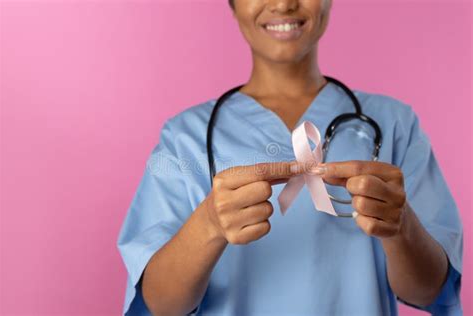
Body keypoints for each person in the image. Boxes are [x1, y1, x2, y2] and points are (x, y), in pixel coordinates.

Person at [117, 0, 463, 315]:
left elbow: (430, 290)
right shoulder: (185, 137)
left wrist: (401, 227)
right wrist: (209, 224)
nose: (283, 4)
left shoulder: (394, 124)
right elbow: (158, 305)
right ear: (232, 4)